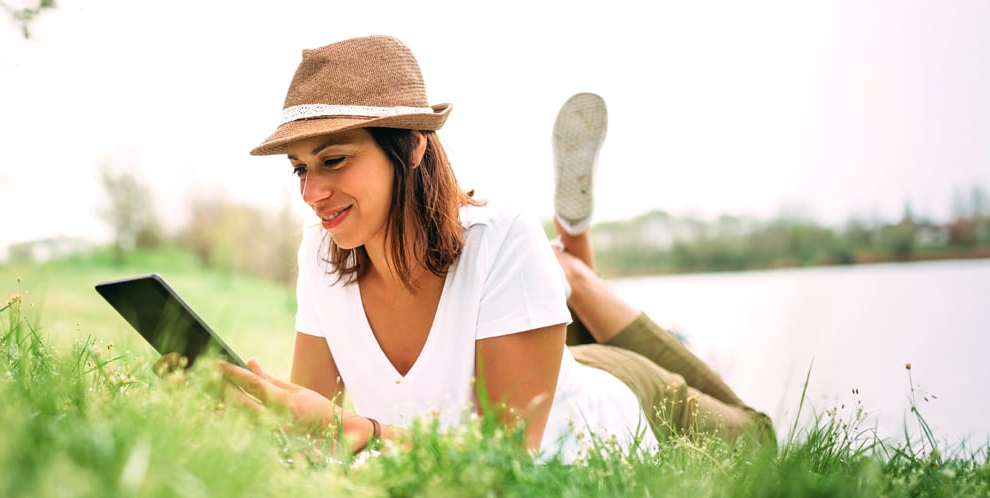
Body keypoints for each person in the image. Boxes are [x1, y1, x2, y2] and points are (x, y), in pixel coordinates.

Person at [220, 35, 773, 461]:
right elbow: (309, 443)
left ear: (411, 148)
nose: (311, 193)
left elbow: (506, 460)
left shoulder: (502, 238)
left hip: (617, 391)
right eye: (300, 169)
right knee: (546, 292)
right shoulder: (321, 256)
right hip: (525, 353)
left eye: (334, 160)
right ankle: (568, 274)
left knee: (758, 438)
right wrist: (262, 413)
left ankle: (573, 265)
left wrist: (354, 430)